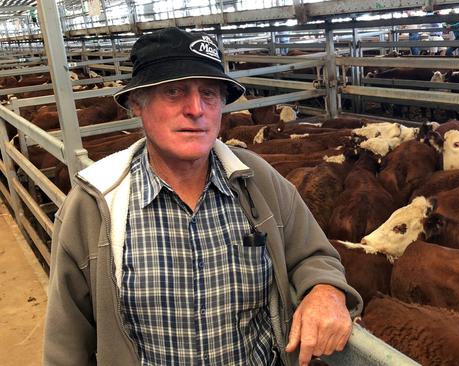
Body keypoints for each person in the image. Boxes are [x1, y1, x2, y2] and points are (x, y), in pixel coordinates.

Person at [43, 27, 362, 366]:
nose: (195, 109)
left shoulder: (259, 181)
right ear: (137, 103)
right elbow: (66, 340)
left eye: (209, 93)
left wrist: (325, 290)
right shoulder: (95, 205)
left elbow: (313, 254)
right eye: (174, 92)